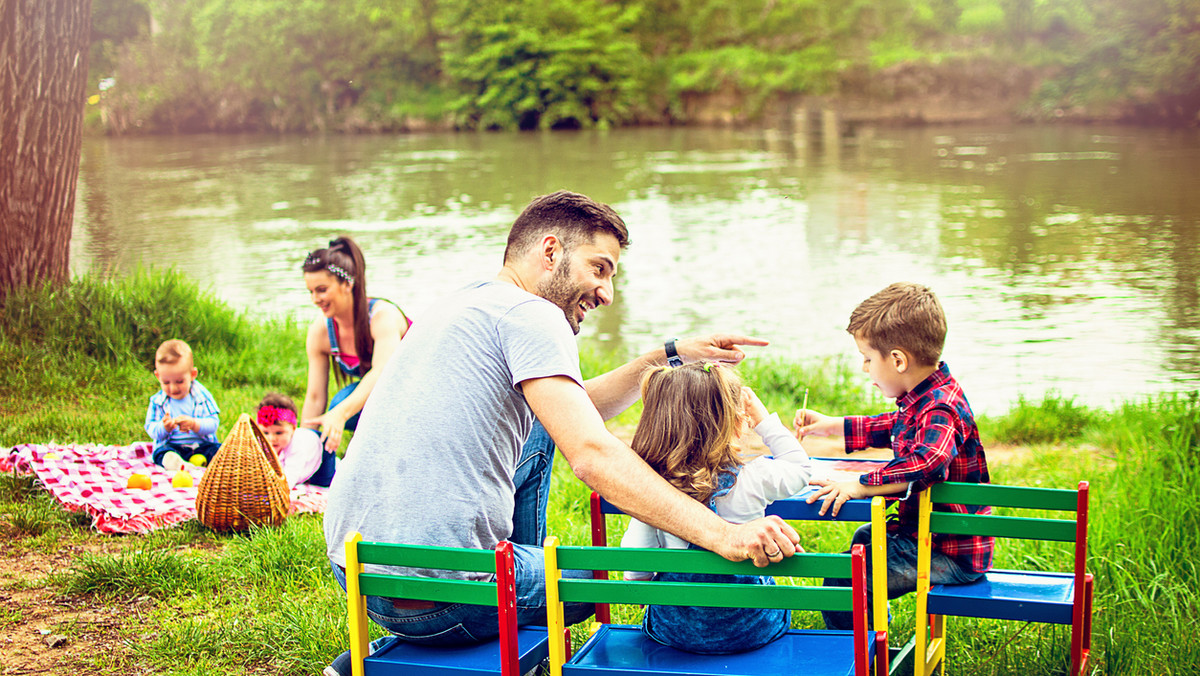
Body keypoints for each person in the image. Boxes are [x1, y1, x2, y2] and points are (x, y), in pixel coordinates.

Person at [321, 191, 797, 676]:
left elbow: (573, 411)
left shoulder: (463, 302)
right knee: (594, 579)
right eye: (600, 268)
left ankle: (399, 649)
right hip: (451, 600)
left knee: (544, 430)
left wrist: (669, 353)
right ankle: (503, 640)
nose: (606, 294)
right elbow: (591, 453)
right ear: (551, 251)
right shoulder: (534, 314)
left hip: (359, 581)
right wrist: (723, 534)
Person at [792, 282, 992, 630]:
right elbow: (893, 425)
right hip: (928, 538)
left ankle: (857, 656)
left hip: (949, 552)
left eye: (868, 359)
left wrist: (862, 485)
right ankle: (873, 638)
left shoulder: (940, 407)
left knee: (847, 582)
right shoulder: (928, 396)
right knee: (864, 540)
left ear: (898, 360)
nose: (865, 368)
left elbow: (927, 462)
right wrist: (833, 426)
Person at [620, 362, 814, 654]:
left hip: (675, 633)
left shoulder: (653, 494)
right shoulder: (756, 477)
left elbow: (635, 574)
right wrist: (762, 418)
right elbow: (801, 469)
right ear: (738, 421)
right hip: (753, 628)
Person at [301, 236, 411, 486]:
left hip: (421, 390)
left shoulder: (383, 316)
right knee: (327, 414)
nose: (315, 299)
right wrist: (304, 441)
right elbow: (315, 397)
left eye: (322, 290)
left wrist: (340, 413)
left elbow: (382, 372)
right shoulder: (321, 331)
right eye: (310, 291)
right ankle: (325, 477)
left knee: (341, 404)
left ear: (347, 283)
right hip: (386, 395)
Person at [144, 339, 221, 471]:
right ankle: (178, 465)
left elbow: (213, 423)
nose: (173, 388)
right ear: (158, 376)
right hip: (173, 447)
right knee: (163, 454)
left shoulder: (202, 397)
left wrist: (194, 424)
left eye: (179, 381)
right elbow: (151, 429)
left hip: (202, 446)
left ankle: (218, 465)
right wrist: (164, 427)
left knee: (219, 451)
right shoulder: (158, 402)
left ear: (192, 375)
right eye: (166, 382)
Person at [256, 393, 323, 488]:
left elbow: (289, 479)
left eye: (279, 433)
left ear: (293, 429)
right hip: (296, 456)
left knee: (321, 487)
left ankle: (336, 465)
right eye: (266, 433)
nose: (271, 438)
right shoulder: (260, 442)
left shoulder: (297, 446)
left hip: (321, 450)